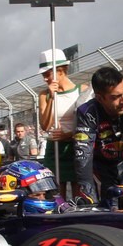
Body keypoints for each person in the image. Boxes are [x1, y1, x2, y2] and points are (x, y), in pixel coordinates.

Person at [73, 66, 123, 209]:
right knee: (107, 211)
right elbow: (82, 157)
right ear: (99, 98)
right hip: (101, 168)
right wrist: (88, 194)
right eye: (115, 97)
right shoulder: (87, 112)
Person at [37, 47, 88, 198]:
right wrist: (52, 98)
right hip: (54, 148)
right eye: (43, 75)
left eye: (48, 74)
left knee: (78, 189)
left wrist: (69, 134)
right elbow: (45, 125)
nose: (45, 78)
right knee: (55, 191)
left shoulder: (82, 90)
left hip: (76, 146)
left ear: (60, 71)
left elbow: (88, 124)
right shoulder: (44, 95)